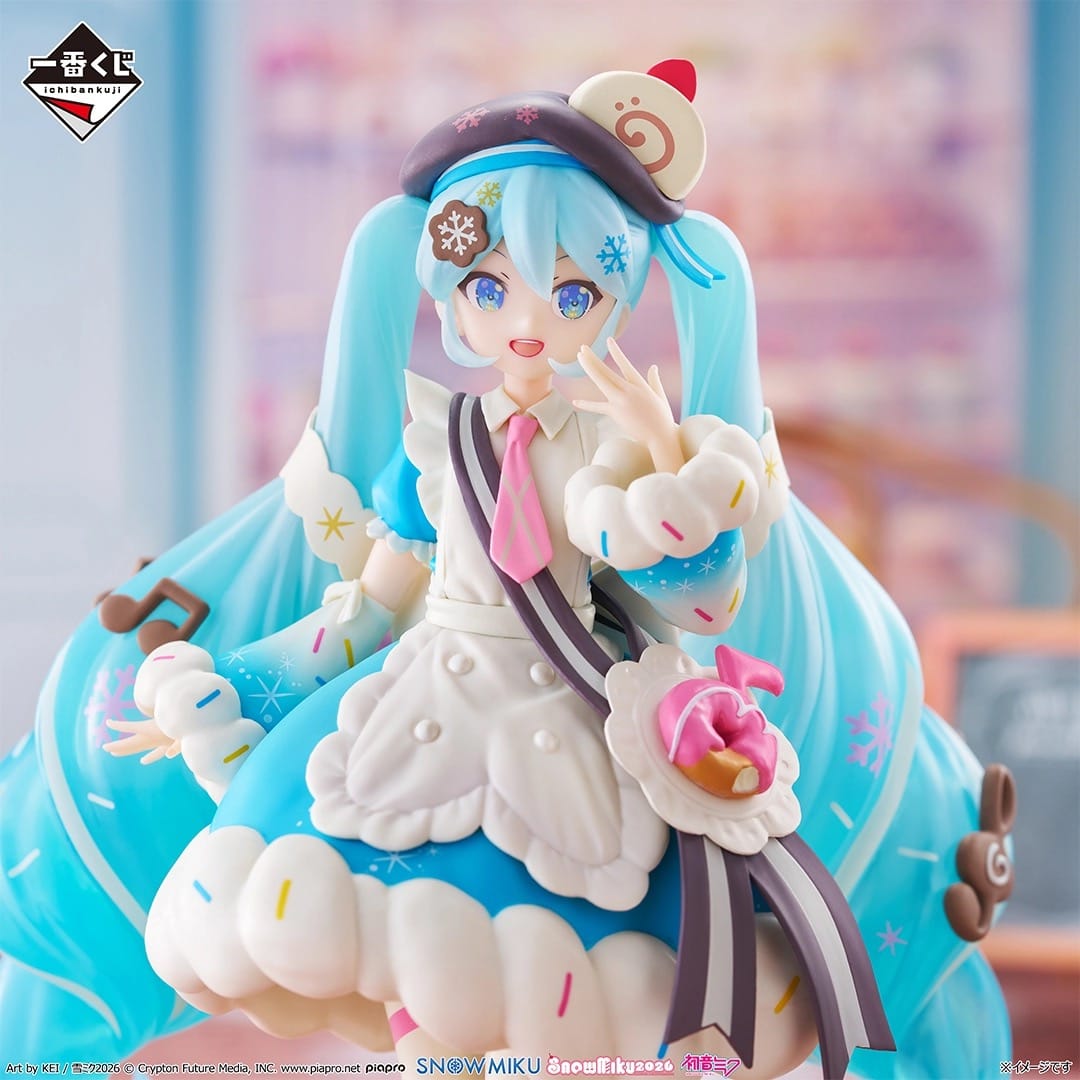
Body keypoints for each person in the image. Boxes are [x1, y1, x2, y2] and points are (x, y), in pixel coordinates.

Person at [0, 62, 1010, 1077]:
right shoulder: (433, 442)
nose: (529, 322)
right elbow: (373, 603)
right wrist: (241, 683)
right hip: (420, 704)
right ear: (451, 300)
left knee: (549, 976)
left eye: (571, 293)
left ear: (611, 304)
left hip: (565, 716)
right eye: (491, 288)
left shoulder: (615, 447)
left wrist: (664, 451)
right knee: (403, 951)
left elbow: (697, 601)